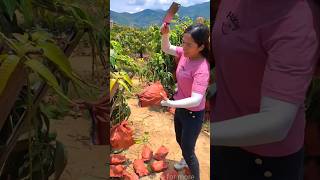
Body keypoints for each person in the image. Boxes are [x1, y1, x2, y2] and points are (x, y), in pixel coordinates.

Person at [210, 0, 320, 179]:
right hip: (223, 132)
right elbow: (246, 61)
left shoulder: (297, 22)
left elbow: (275, 123)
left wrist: (203, 131)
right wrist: (218, 86)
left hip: (262, 159)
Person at [159, 22, 210, 180]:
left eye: (189, 44)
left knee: (189, 151)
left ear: (201, 47)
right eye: (183, 42)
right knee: (180, 139)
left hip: (193, 114)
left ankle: (195, 176)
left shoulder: (202, 68)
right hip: (180, 108)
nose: (184, 46)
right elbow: (166, 48)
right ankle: (186, 161)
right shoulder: (185, 54)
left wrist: (170, 103)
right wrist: (165, 34)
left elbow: (196, 100)